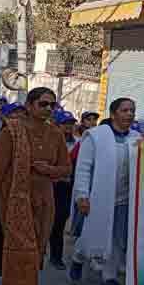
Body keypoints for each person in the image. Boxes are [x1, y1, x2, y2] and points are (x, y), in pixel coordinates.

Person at [0, 87, 70, 285]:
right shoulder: (12, 132)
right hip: (15, 201)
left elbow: (65, 169)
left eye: (52, 105)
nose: (48, 109)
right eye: (43, 104)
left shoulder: (56, 134)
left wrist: (46, 169)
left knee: (36, 250)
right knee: (20, 252)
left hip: (43, 203)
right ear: (29, 105)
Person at [68, 98, 141, 285]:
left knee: (118, 237)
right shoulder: (95, 136)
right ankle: (78, 257)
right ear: (113, 113)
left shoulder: (137, 138)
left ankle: (108, 277)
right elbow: (83, 168)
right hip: (99, 196)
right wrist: (82, 195)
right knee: (92, 234)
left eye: (132, 111)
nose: (129, 114)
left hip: (125, 198)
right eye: (125, 110)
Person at [49, 110, 79, 270]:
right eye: (65, 124)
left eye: (71, 124)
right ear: (57, 125)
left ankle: (56, 256)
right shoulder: (48, 141)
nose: (68, 127)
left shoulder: (78, 143)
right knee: (43, 220)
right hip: (48, 185)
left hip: (67, 188)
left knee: (59, 221)